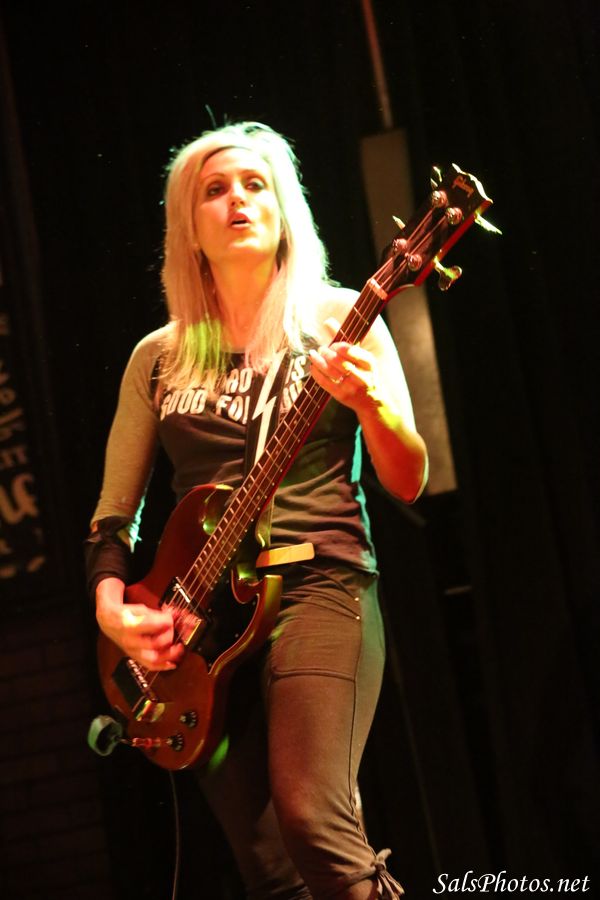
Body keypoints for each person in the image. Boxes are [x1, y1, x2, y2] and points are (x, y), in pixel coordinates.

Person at [86, 121, 428, 899]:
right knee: (270, 872)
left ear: (284, 209)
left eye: (255, 184)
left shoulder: (341, 318)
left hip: (318, 585)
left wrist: (372, 405)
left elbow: (408, 480)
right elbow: (112, 516)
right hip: (201, 624)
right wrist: (112, 610)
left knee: (314, 821)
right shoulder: (158, 357)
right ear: (189, 228)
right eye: (215, 190)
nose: (237, 199)